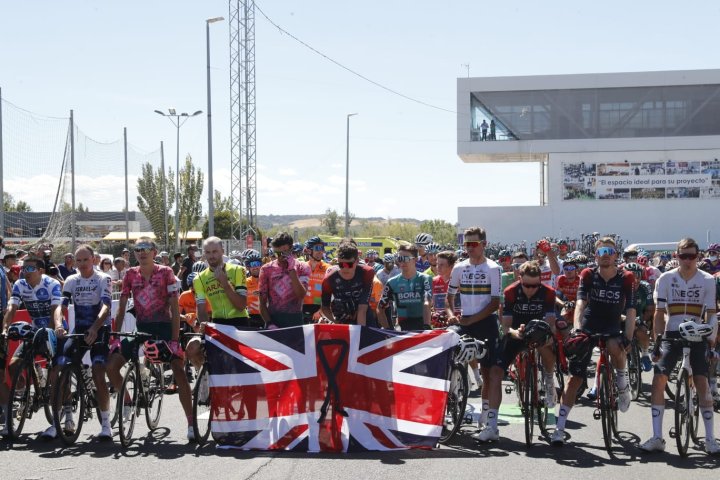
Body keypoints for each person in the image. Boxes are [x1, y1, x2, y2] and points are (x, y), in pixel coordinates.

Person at [106, 237, 194, 440]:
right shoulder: (130, 274)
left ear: (154, 251)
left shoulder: (166, 272)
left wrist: (174, 338)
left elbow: (173, 306)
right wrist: (116, 338)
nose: (142, 252)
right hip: (141, 328)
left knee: (179, 371)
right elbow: (121, 307)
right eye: (138, 249)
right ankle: (128, 401)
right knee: (111, 366)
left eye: (146, 248)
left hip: (164, 328)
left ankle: (190, 422)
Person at [551, 237, 636, 446]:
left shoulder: (626, 277)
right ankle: (559, 428)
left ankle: (623, 385)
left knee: (617, 347)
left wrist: (629, 337)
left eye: (609, 251)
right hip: (590, 323)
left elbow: (631, 309)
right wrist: (578, 329)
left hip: (612, 324)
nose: (605, 254)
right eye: (601, 251)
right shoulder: (588, 274)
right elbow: (580, 303)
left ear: (616, 255)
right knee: (575, 379)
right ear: (595, 256)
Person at [639, 238, 719, 454]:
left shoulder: (708, 280)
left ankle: (711, 438)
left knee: (702, 382)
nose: (687, 260)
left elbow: (711, 314)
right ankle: (657, 437)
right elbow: (659, 313)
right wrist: (657, 342)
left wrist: (711, 343)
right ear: (676, 256)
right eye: (683, 256)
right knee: (658, 379)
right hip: (672, 333)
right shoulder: (665, 279)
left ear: (698, 256)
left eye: (691, 256)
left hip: (699, 334)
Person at [445, 226, 502, 442]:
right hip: (465, 321)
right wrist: (452, 314)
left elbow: (495, 303)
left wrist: (471, 319)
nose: (469, 247)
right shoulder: (459, 268)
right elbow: (449, 298)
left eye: (473, 243)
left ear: (484, 244)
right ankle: (449, 403)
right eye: (466, 243)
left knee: (490, 373)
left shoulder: (493, 268)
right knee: (447, 353)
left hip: (486, 322)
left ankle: (489, 423)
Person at [2, 257, 64, 439]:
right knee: (14, 366)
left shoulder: (51, 283)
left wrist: (53, 330)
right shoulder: (20, 284)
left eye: (30, 268)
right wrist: (5, 329)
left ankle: (64, 414)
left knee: (56, 376)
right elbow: (11, 307)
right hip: (35, 329)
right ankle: (30, 381)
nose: (25, 271)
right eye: (24, 268)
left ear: (41, 271)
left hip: (54, 328)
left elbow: (56, 308)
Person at [58, 245, 113, 440]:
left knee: (99, 371)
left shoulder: (103, 278)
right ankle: (67, 417)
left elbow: (106, 306)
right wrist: (58, 324)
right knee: (61, 367)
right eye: (78, 260)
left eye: (85, 260)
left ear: (93, 260)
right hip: (80, 329)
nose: (81, 264)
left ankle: (106, 424)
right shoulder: (71, 280)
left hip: (100, 329)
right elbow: (61, 306)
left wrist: (96, 327)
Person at [501, 261, 558, 408]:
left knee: (547, 345)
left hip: (540, 327)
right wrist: (516, 333)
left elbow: (551, 324)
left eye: (535, 286)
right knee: (497, 367)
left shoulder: (548, 292)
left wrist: (547, 337)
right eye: (527, 285)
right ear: (520, 279)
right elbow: (506, 326)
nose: (531, 290)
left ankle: (550, 381)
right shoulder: (510, 291)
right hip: (517, 328)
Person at [258, 232, 309, 328]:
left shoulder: (302, 266)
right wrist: (269, 323)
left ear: (291, 249)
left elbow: (301, 295)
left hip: (295, 320)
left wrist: (292, 270)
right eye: (277, 254)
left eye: (284, 253)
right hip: (273, 319)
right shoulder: (266, 269)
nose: (280, 257)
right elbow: (262, 303)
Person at [321, 239, 375, 326]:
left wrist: (361, 333)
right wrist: (335, 323)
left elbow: (362, 308)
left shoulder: (367, 272)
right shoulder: (329, 279)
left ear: (357, 261)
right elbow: (325, 307)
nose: (345, 268)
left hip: (363, 315)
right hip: (341, 319)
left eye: (349, 265)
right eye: (341, 265)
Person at [378, 244, 432, 331]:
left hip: (422, 325)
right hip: (402, 326)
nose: (402, 262)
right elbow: (380, 308)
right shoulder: (392, 282)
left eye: (406, 259)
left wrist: (426, 326)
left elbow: (427, 302)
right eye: (399, 259)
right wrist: (387, 329)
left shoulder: (425, 279)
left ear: (416, 260)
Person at [302, 236, 330, 324]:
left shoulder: (328, 268)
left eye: (322, 248)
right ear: (309, 250)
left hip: (321, 310)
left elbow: (331, 294)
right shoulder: (301, 267)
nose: (320, 251)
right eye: (317, 248)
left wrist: (321, 311)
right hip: (302, 309)